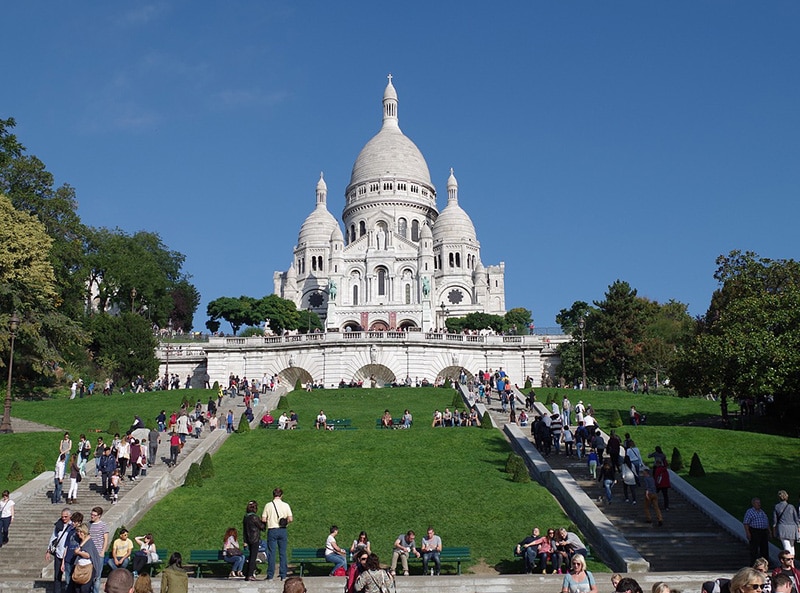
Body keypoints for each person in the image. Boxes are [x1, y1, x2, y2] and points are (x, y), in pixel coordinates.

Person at [262, 487, 293, 580]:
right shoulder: (286, 505)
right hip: (282, 530)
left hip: (272, 530)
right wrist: (284, 521)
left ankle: (270, 575)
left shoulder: (268, 505)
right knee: (282, 553)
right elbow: (291, 519)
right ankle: (283, 574)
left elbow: (263, 519)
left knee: (272, 553)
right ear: (281, 495)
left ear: (273, 495)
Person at [45, 507, 73, 593]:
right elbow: (53, 537)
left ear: (70, 516)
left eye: (66, 517)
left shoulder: (72, 526)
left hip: (69, 554)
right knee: (57, 576)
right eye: (62, 517)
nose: (64, 518)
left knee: (69, 576)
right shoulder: (59, 525)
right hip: (59, 553)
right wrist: (48, 551)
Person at [72, 522, 102, 593]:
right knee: (77, 589)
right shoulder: (80, 541)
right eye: (77, 531)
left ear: (83, 532)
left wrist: (78, 552)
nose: (78, 533)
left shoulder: (89, 542)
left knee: (84, 589)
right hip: (79, 567)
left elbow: (88, 555)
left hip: (87, 568)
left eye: (79, 531)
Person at [242, 500, 265, 581]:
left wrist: (245, 540)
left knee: (250, 556)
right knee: (253, 557)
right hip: (255, 539)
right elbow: (262, 527)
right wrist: (264, 521)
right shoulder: (254, 517)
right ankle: (250, 574)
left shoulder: (246, 517)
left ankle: (247, 574)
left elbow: (244, 530)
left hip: (248, 538)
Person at [744, 497, 771, 565]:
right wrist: (748, 533)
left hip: (763, 532)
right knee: (754, 549)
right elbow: (746, 523)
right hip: (755, 531)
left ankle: (765, 564)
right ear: (753, 504)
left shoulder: (762, 512)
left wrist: (769, 531)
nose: (759, 504)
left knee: (764, 549)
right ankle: (753, 564)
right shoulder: (750, 512)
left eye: (759, 503)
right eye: (757, 503)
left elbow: (766, 522)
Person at [89, 507, 109, 593]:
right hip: (89, 553)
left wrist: (103, 551)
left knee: (97, 576)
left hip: (98, 552)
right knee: (89, 575)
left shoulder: (103, 525)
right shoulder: (89, 524)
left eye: (94, 515)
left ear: (99, 516)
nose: (92, 516)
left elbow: (106, 539)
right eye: (91, 514)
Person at [774, 490, 800, 555]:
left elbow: (775, 521)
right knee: (792, 546)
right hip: (792, 528)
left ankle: (788, 561)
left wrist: (774, 530)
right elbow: (796, 519)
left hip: (782, 528)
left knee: (786, 546)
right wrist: (799, 527)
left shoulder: (776, 507)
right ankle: (792, 561)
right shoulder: (791, 506)